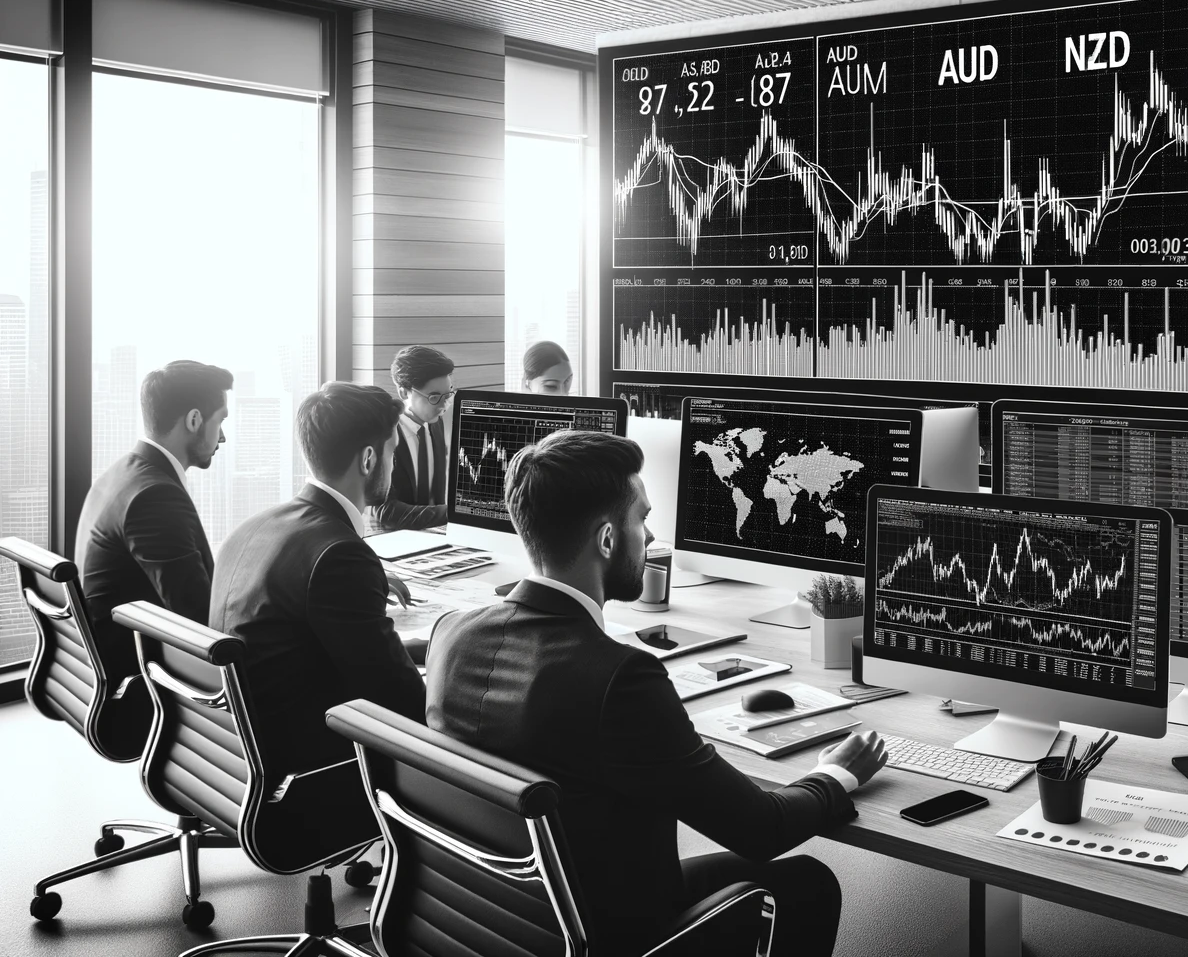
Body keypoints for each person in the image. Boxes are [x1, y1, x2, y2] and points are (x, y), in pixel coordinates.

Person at [426, 430, 884, 956]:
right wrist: (837, 773)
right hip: (604, 930)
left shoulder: (452, 631)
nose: (650, 535)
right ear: (606, 539)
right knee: (807, 880)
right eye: (641, 519)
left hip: (495, 914)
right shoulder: (619, 677)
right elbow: (761, 829)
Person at [212, 381, 424, 787]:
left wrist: (427, 648)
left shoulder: (252, 526)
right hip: (309, 777)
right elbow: (400, 701)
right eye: (393, 452)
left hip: (231, 757)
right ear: (368, 459)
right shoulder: (340, 554)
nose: (393, 465)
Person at [76, 361, 231, 680]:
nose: (224, 437)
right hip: (141, 680)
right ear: (194, 420)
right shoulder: (156, 496)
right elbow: (201, 621)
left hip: (111, 661)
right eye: (220, 421)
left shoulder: (121, 474)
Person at [368, 345, 454, 532]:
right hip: (397, 540)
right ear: (404, 392)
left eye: (448, 394)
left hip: (438, 536)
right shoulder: (384, 436)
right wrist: (454, 513)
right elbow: (385, 510)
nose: (444, 405)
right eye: (434, 397)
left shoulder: (435, 422)